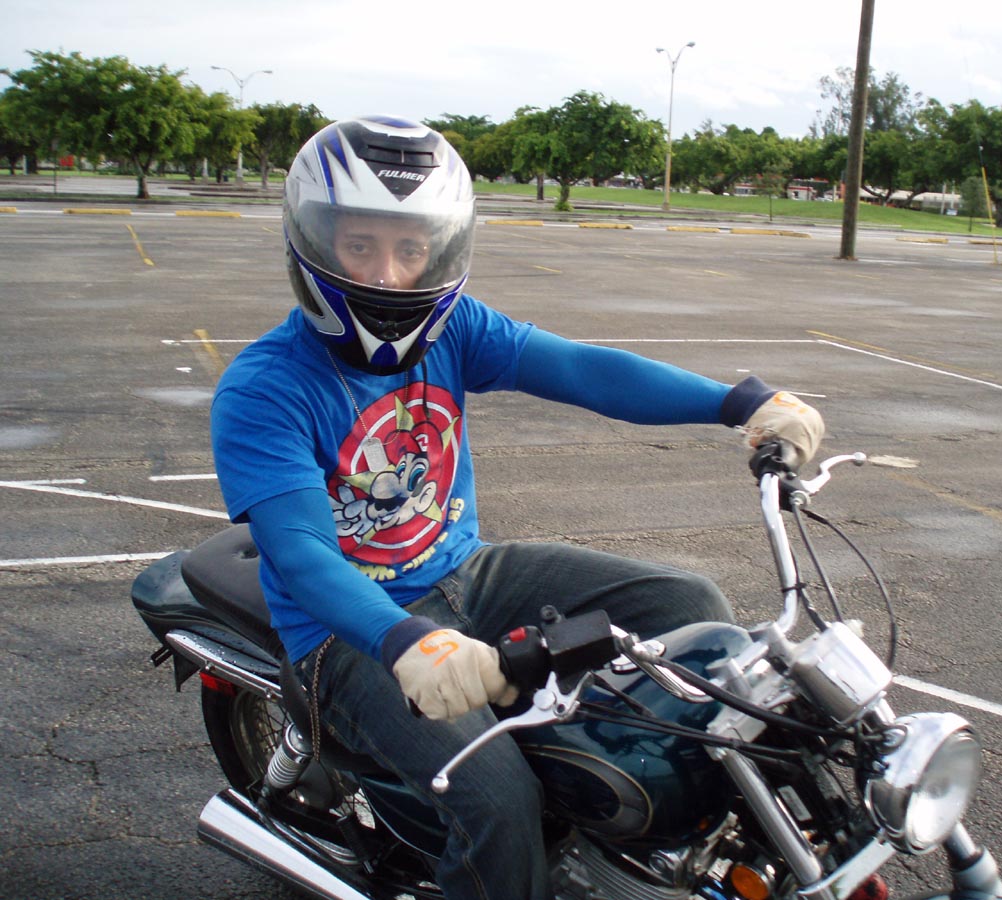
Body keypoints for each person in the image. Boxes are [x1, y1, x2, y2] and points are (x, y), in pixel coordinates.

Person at [210, 116, 825, 900]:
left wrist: (740, 404)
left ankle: (613, 816)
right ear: (313, 243)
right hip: (347, 632)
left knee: (691, 606)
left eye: (411, 248)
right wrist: (406, 641)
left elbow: (582, 370)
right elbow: (300, 554)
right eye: (360, 245)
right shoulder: (266, 387)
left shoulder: (455, 329)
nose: (390, 275)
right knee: (497, 799)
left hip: (466, 573)